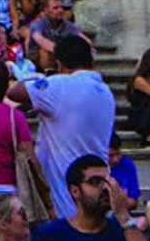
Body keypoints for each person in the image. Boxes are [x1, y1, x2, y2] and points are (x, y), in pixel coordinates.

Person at [25, 32, 116, 216]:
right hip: (96, 186)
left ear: (59, 64)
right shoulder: (105, 92)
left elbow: (14, 92)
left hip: (65, 199)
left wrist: (45, 80)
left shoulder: (59, 85)